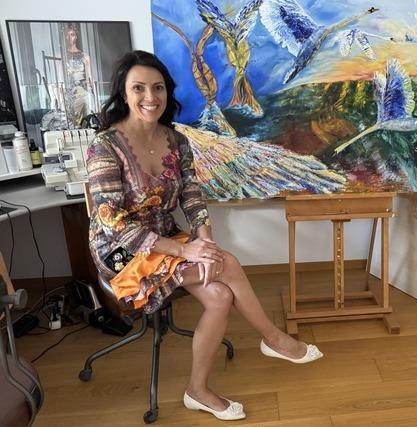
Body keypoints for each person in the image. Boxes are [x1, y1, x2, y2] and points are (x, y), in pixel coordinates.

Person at [86, 50, 322, 421]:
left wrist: (205, 244)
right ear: (123, 93)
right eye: (139, 88)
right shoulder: (104, 146)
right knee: (229, 265)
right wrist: (188, 252)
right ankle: (273, 339)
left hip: (166, 237)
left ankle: (197, 390)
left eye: (158, 87)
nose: (150, 96)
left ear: (167, 92)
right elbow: (111, 221)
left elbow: (192, 197)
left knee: (221, 294)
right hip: (121, 251)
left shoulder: (176, 140)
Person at [62, 24, 96, 128]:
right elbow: (60, 80)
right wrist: (60, 98)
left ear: (76, 36)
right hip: (70, 92)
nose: (69, 38)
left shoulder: (85, 56)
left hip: (83, 90)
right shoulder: (62, 56)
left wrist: (95, 97)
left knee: (87, 107)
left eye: (72, 35)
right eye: (67, 35)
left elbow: (91, 78)